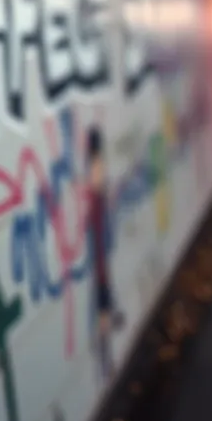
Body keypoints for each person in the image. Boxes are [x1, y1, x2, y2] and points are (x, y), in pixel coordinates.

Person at [86, 126, 122, 383]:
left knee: (104, 302)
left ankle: (106, 356)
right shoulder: (97, 168)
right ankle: (106, 357)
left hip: (100, 254)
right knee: (103, 302)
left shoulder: (95, 168)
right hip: (99, 256)